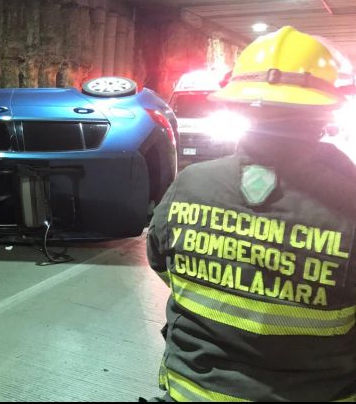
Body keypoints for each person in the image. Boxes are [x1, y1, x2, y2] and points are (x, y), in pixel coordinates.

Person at [147, 26, 356, 401]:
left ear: (236, 105)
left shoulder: (188, 185)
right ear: (327, 112)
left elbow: (165, 268)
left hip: (190, 392)